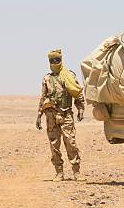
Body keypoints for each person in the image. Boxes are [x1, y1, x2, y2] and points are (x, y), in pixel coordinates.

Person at [36, 49, 86, 182]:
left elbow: (77, 92)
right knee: (54, 145)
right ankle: (59, 173)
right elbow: (43, 98)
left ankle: (76, 172)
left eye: (57, 60)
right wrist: (39, 116)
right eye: (52, 61)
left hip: (66, 114)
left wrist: (80, 109)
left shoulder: (68, 76)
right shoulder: (46, 78)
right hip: (51, 116)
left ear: (61, 60)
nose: (55, 63)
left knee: (71, 143)